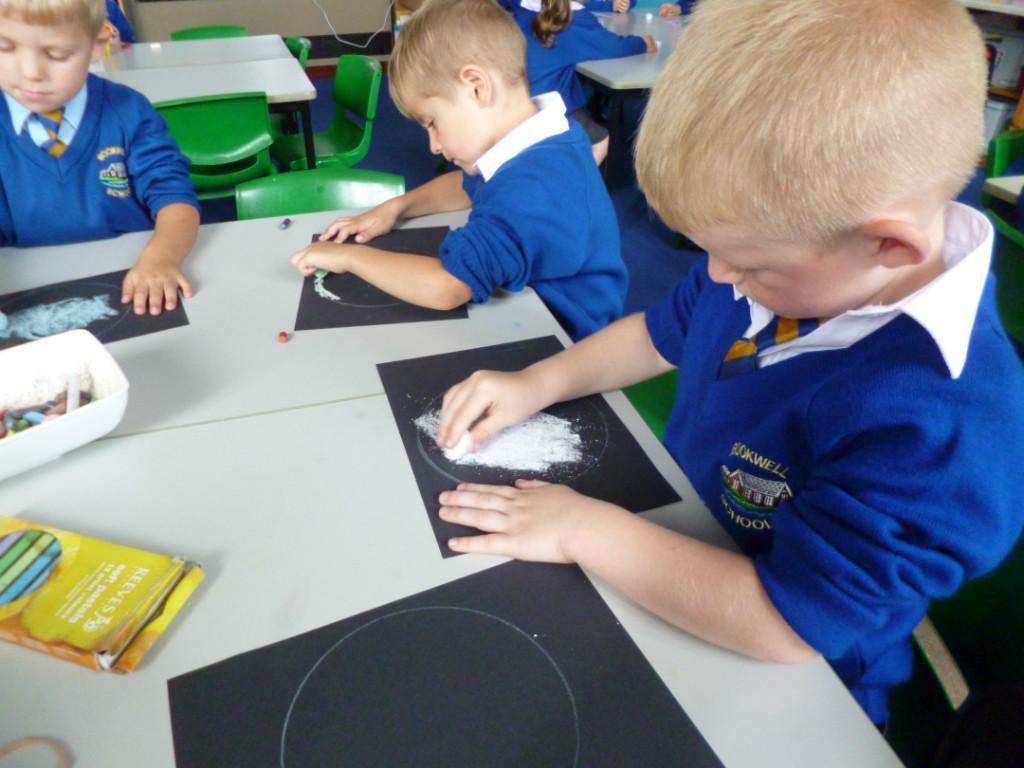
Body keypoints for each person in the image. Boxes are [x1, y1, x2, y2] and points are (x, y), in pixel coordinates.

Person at [432, 0, 1024, 727]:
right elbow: (659, 334)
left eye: (747, 264)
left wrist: (582, 531)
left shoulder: (942, 428)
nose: (717, 277)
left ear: (890, 247)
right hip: (679, 543)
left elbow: (786, 625)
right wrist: (538, 382)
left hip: (792, 681)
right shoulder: (781, 258)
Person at [291, 0, 628, 341]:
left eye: (432, 123)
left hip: (563, 338)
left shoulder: (533, 186)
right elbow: (468, 185)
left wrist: (348, 257)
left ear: (477, 87)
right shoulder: (543, 137)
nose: (433, 146)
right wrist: (395, 208)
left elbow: (448, 286)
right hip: (526, 307)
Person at [0, 0, 199, 316]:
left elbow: (175, 199)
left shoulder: (129, 111)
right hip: (26, 290)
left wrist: (161, 258)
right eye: (5, 48)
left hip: (133, 275)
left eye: (56, 53)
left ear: (97, 46)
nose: (31, 73)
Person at [511, 0, 653, 164]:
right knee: (601, 141)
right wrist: (644, 43)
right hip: (547, 109)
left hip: (516, 103)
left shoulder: (522, 10)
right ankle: (572, 177)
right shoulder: (573, 20)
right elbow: (614, 46)